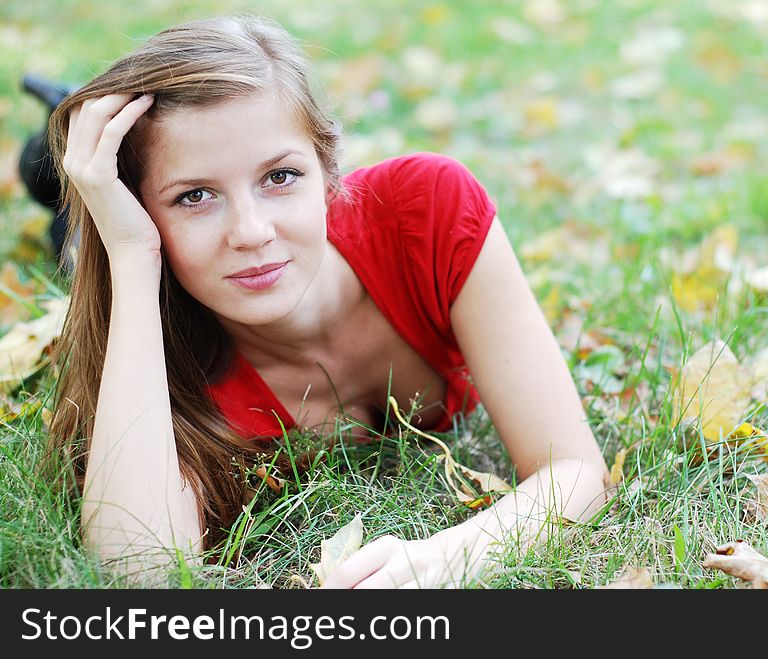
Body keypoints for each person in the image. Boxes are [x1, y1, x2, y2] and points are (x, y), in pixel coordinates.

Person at [46, 14, 610, 588]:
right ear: (143, 212)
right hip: (118, 242)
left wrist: (448, 558)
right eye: (195, 195)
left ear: (328, 169)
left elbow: (577, 471)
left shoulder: (427, 214)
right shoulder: (174, 359)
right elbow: (139, 571)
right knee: (53, 201)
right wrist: (131, 255)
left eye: (280, 177)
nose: (252, 231)